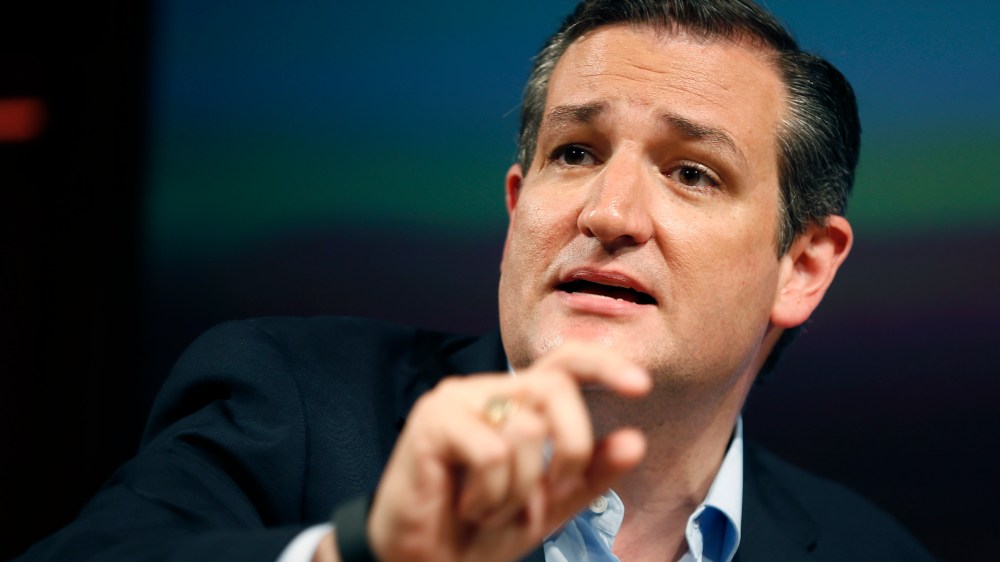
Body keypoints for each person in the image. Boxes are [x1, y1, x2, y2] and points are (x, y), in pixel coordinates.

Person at [16, 1, 935, 561]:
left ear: (803, 266)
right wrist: (360, 556)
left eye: (692, 171)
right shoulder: (289, 406)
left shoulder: (875, 552)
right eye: (574, 153)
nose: (609, 213)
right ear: (518, 202)